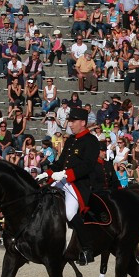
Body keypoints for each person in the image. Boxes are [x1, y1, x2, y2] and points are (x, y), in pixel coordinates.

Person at [36, 106, 102, 264]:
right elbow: (60, 162)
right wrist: (47, 173)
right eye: (70, 121)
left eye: (73, 121)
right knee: (43, 200)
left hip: (79, 184)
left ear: (83, 122)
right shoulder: (71, 140)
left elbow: (88, 166)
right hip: (62, 180)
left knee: (70, 213)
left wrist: (66, 174)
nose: (70, 124)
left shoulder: (91, 141)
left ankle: (87, 249)